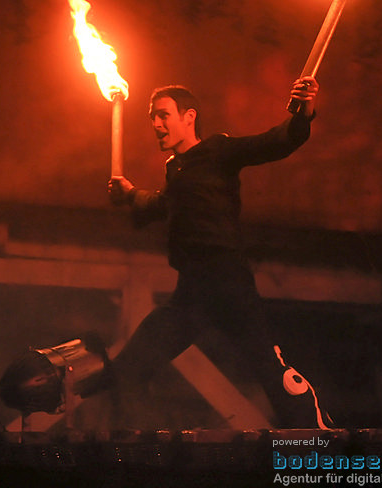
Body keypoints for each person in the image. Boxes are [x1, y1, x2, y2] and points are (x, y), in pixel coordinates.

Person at [107, 76, 329, 429]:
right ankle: (142, 450)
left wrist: (304, 112)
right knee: (130, 368)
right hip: (192, 291)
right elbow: (165, 203)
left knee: (270, 370)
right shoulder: (176, 170)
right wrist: (132, 194)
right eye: (152, 117)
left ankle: (318, 433)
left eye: (163, 115)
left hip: (227, 283)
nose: (156, 124)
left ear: (189, 117)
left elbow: (276, 142)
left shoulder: (218, 151)